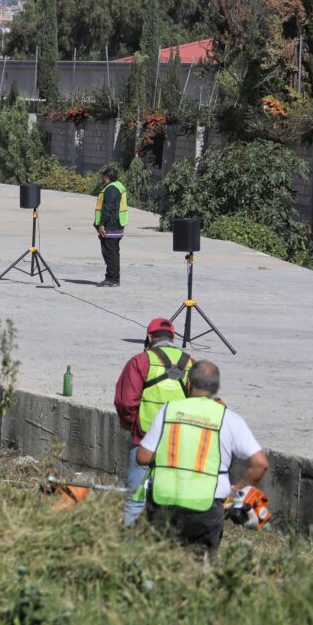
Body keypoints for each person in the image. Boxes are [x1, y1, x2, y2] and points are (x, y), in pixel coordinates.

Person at [136, 361, 269, 563]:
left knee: (160, 565)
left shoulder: (168, 410)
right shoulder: (229, 419)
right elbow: (260, 464)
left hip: (164, 501)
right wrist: (236, 491)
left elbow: (143, 457)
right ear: (217, 389)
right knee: (202, 570)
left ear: (188, 384)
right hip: (207, 507)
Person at [113, 318, 194, 528]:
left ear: (149, 338)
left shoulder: (140, 361)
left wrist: (133, 426)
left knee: (135, 498)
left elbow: (125, 402)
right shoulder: (190, 363)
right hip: (178, 444)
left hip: (144, 441)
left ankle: (130, 546)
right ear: (173, 338)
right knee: (173, 500)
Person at [95, 166, 128, 287]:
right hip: (117, 225)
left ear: (106, 177)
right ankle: (112, 278)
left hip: (111, 226)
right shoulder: (118, 185)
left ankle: (112, 279)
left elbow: (108, 208)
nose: (102, 179)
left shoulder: (111, 189)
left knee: (110, 253)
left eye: (103, 177)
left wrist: (102, 224)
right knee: (113, 253)